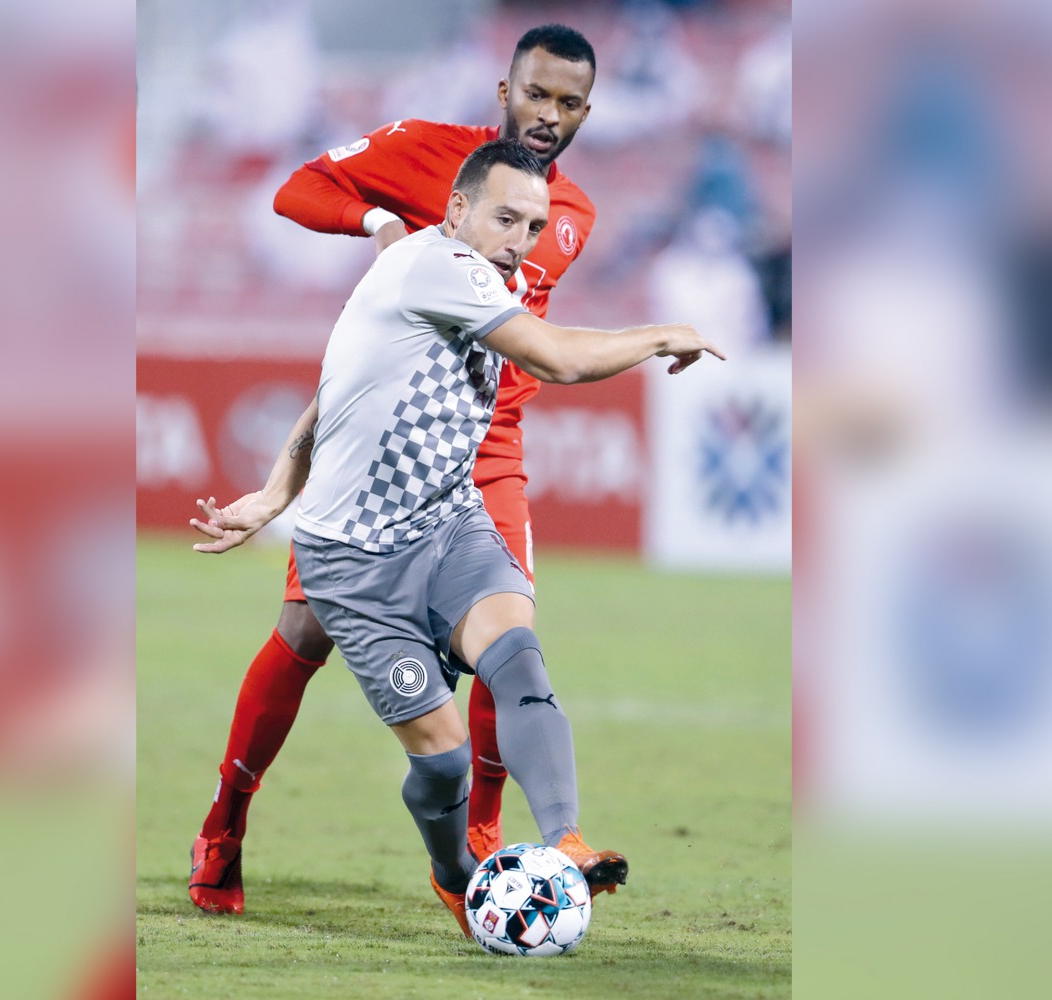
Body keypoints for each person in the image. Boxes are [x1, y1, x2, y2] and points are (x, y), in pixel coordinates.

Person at [191, 138, 725, 935]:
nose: (521, 240)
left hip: (448, 525)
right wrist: (657, 334)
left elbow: (333, 398)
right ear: (457, 211)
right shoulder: (440, 267)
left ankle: (564, 841)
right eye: (506, 218)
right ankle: (455, 873)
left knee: (517, 655)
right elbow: (556, 360)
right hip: (355, 564)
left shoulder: (460, 280)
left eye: (535, 226)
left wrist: (274, 493)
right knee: (440, 759)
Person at [192, 24, 599, 916]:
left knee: (510, 637)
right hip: (383, 440)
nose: (549, 115)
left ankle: (481, 850)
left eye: (569, 103)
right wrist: (378, 221)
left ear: (586, 113)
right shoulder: (425, 153)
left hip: (488, 448)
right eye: (537, 94)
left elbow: (529, 344)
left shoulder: (574, 215)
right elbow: (297, 190)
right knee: (303, 635)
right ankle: (225, 823)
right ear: (505, 91)